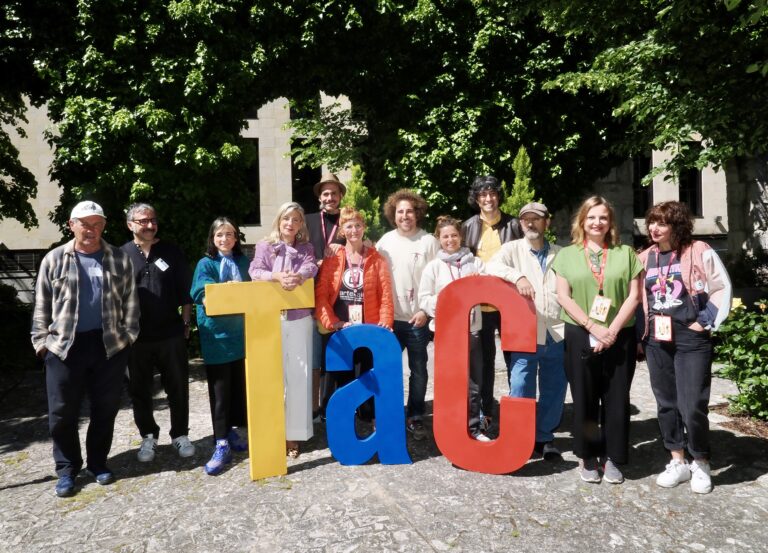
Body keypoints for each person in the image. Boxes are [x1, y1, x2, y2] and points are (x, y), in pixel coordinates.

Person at [31, 200, 140, 497]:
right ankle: (67, 469)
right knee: (62, 413)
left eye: (97, 224)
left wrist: (129, 336)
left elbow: (131, 301)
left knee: (105, 410)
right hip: (64, 347)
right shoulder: (54, 259)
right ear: (72, 225)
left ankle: (97, 463)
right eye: (85, 224)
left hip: (109, 345)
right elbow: (41, 304)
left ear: (104, 226)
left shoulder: (118, 258)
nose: (91, 230)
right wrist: (41, 344)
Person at [638, 201, 732, 494]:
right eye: (652, 221)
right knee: (666, 403)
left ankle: (700, 461)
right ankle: (677, 459)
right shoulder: (645, 258)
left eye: (662, 223)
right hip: (657, 338)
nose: (654, 228)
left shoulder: (698, 250)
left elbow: (721, 286)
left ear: (676, 225)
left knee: (692, 405)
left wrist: (704, 321)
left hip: (691, 337)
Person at [552, 196, 642, 484]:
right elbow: (563, 296)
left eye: (603, 217)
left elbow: (634, 296)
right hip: (580, 332)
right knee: (585, 398)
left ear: (610, 222)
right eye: (591, 217)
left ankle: (614, 457)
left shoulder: (626, 253)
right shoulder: (566, 255)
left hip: (620, 333)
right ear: (582, 221)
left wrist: (611, 331)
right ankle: (587, 455)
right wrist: (592, 326)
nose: (597, 222)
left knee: (616, 399)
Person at [486, 202, 566, 460]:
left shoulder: (561, 253)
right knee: (521, 385)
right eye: (525, 220)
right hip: (524, 332)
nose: (530, 224)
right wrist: (517, 276)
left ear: (547, 222)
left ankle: (544, 437)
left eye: (536, 219)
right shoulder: (511, 250)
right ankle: (520, 437)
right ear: (520, 224)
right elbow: (491, 267)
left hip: (556, 332)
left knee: (554, 388)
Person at [121, 203, 195, 464]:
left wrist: (186, 322)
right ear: (130, 224)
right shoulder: (121, 255)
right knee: (139, 390)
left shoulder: (171, 252)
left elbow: (186, 290)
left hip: (171, 333)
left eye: (153, 220)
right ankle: (148, 436)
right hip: (136, 338)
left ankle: (181, 434)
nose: (150, 225)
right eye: (143, 221)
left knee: (177, 387)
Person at [249, 202, 318, 458]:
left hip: (299, 320)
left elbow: (312, 267)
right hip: (270, 320)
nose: (291, 223)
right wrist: (276, 277)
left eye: (296, 220)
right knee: (273, 377)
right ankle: (272, 431)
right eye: (287, 218)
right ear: (279, 220)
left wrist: (298, 276)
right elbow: (254, 270)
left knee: (298, 376)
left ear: (301, 225)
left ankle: (294, 435)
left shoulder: (306, 248)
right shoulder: (265, 246)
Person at [315, 207, 394, 421]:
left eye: (358, 225)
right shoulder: (333, 257)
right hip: (341, 328)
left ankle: (367, 416)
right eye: (349, 226)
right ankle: (341, 421)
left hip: (368, 328)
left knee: (366, 374)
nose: (354, 230)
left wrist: (384, 324)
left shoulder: (377, 259)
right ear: (342, 230)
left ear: (364, 228)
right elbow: (321, 294)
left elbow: (385, 293)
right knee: (342, 376)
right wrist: (332, 322)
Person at [418, 216, 489, 442]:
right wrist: (445, 302)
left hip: (472, 330)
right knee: (450, 382)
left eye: (454, 235)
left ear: (461, 237)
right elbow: (424, 299)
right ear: (439, 239)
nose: (450, 240)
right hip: (447, 333)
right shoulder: (433, 267)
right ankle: (451, 429)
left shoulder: (475, 263)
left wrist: (479, 282)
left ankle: (474, 429)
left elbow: (488, 289)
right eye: (445, 236)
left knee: (474, 384)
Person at [376, 190, 439, 440]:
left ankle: (415, 416)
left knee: (419, 370)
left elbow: (438, 280)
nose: (405, 216)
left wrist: (426, 311)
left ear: (417, 213)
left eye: (409, 211)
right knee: (387, 370)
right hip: (390, 320)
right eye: (400, 211)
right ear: (394, 214)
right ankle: (390, 415)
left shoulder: (429, 242)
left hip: (417, 319)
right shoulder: (384, 242)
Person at [190, 217, 251, 476]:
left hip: (243, 334)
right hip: (217, 337)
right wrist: (224, 290)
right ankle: (221, 441)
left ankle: (232, 431)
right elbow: (199, 292)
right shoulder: (207, 263)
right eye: (219, 235)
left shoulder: (243, 262)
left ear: (236, 238)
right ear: (212, 239)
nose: (224, 239)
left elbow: (254, 287)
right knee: (220, 391)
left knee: (239, 387)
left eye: (229, 234)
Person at [461, 176, 523, 430]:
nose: (488, 199)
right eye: (482, 195)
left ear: (499, 196)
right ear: (476, 199)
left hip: (510, 303)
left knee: (515, 358)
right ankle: (486, 408)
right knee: (483, 359)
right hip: (480, 304)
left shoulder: (514, 225)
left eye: (492, 193)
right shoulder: (467, 227)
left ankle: (517, 408)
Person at [305, 173, 347, 419]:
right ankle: (312, 408)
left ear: (340, 196)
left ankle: (332, 405)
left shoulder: (349, 220)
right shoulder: (308, 221)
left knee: (336, 355)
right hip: (309, 296)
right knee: (314, 357)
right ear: (320, 198)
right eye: (325, 194)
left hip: (340, 298)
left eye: (334, 193)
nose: (330, 198)